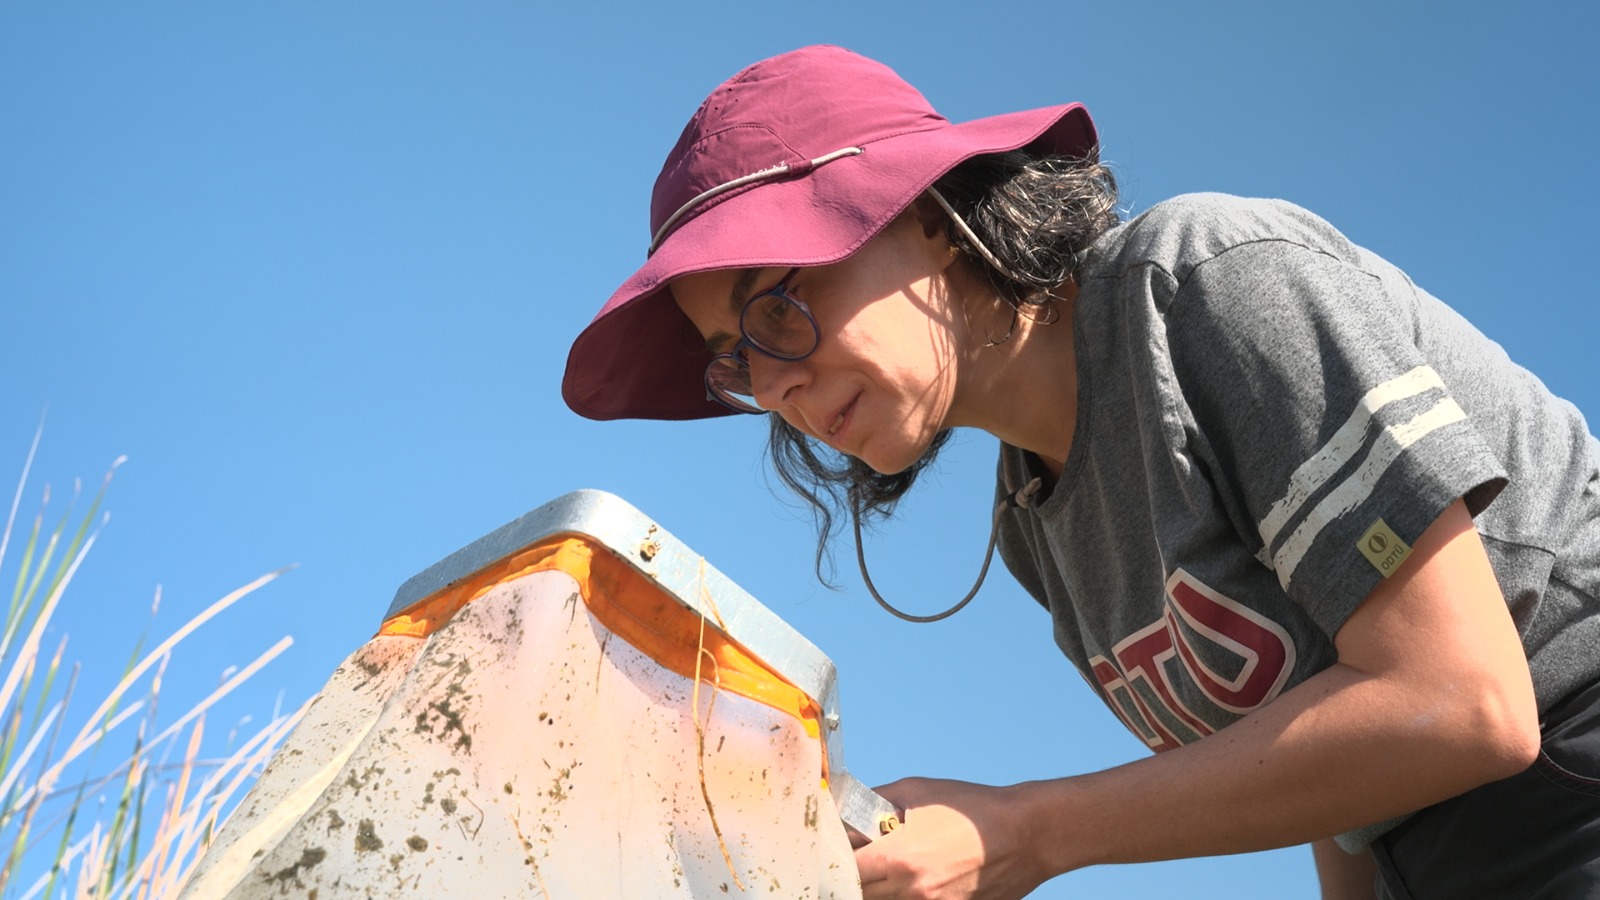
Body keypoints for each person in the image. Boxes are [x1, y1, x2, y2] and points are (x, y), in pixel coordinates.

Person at [562, 45, 1600, 899]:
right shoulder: (1033, 526)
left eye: (776, 307)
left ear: (923, 211)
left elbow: (1463, 703)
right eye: (734, 360)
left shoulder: (1205, 285)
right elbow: (1331, 758)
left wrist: (1030, 829)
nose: (775, 383)